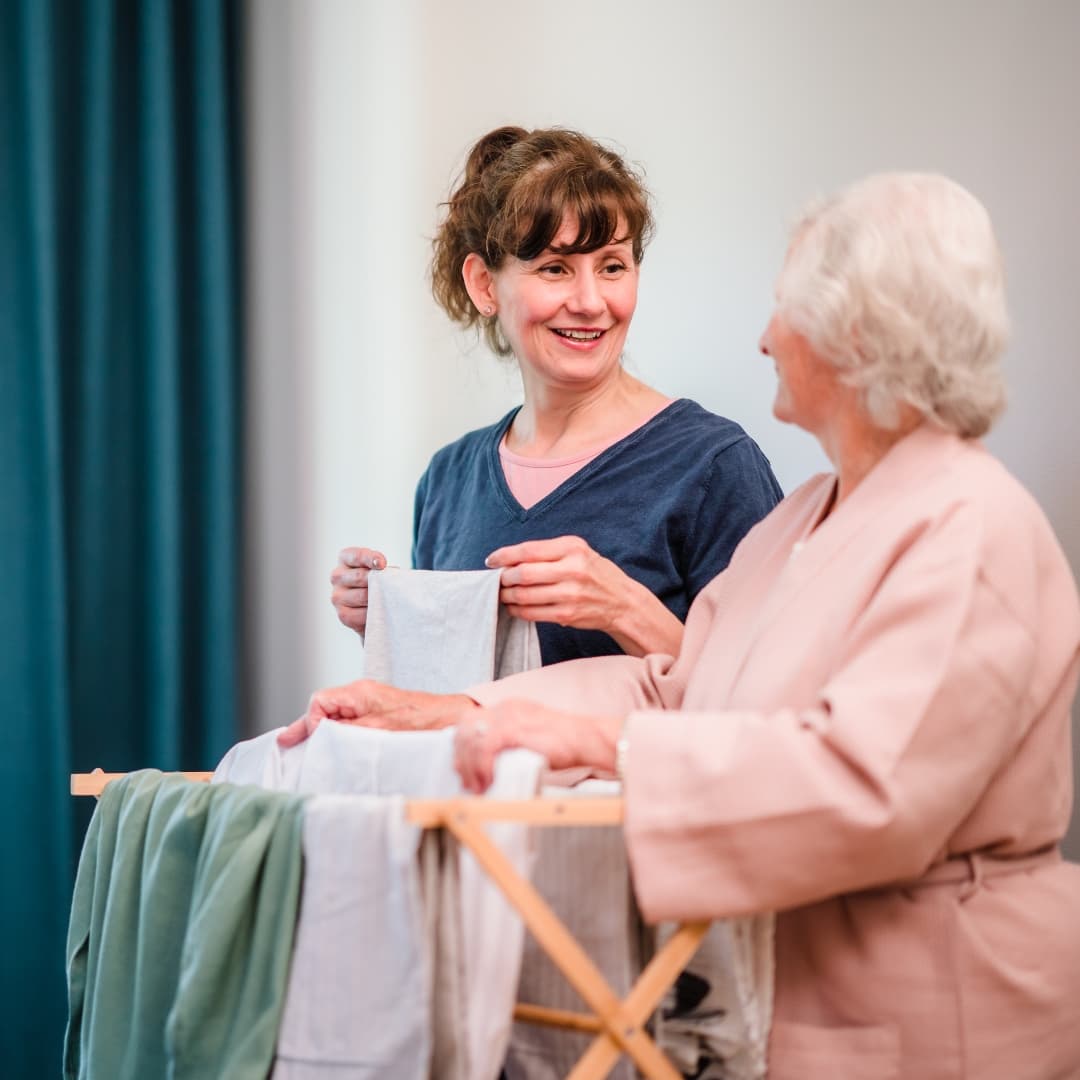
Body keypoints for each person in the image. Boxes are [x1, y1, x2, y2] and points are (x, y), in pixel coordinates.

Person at [282, 172, 1080, 1078]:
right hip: (800, 993)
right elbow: (681, 682)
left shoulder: (970, 526)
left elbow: (865, 788)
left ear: (857, 336)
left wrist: (610, 749)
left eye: (783, 308)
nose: (764, 336)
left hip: (940, 1008)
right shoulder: (811, 514)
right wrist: (459, 713)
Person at [329, 125, 781, 665]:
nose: (591, 302)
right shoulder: (447, 482)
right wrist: (393, 621)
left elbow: (769, 702)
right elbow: (452, 701)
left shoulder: (713, 466)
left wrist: (623, 610)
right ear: (484, 286)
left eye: (612, 266)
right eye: (555, 269)